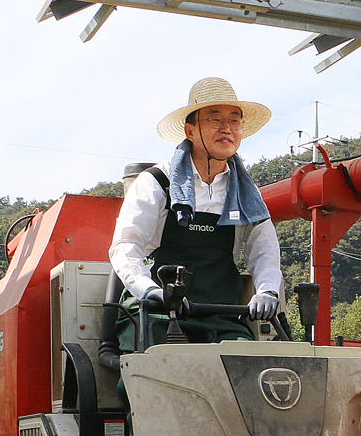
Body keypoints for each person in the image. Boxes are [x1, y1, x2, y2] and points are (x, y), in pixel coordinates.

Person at [109, 77, 283, 346]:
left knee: (249, 366)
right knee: (156, 368)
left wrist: (267, 291)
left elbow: (264, 250)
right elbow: (125, 245)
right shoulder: (157, 182)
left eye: (234, 121)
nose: (227, 129)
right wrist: (150, 291)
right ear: (190, 131)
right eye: (215, 120)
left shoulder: (247, 195)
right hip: (158, 314)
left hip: (223, 314)